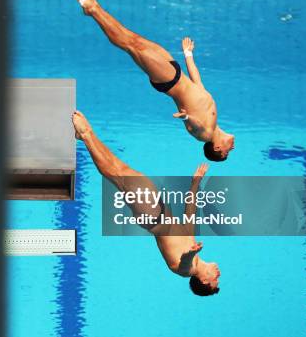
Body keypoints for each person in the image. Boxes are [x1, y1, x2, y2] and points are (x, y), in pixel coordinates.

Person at [74, 0, 234, 161]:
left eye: (228, 151)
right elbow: (198, 83)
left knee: (129, 45)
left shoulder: (206, 134)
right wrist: (188, 55)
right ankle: (93, 11)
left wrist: (186, 117)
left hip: (169, 80)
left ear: (218, 148)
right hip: (175, 70)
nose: (232, 147)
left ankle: (93, 10)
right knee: (132, 39)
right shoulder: (214, 119)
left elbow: (194, 126)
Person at [72, 110, 221, 296]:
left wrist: (191, 253)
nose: (218, 274)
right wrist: (195, 182)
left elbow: (183, 260)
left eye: (215, 280)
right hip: (157, 210)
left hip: (152, 215)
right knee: (120, 171)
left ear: (204, 280)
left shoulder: (186, 270)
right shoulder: (194, 251)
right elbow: (189, 215)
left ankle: (86, 134)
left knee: (118, 175)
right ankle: (85, 136)